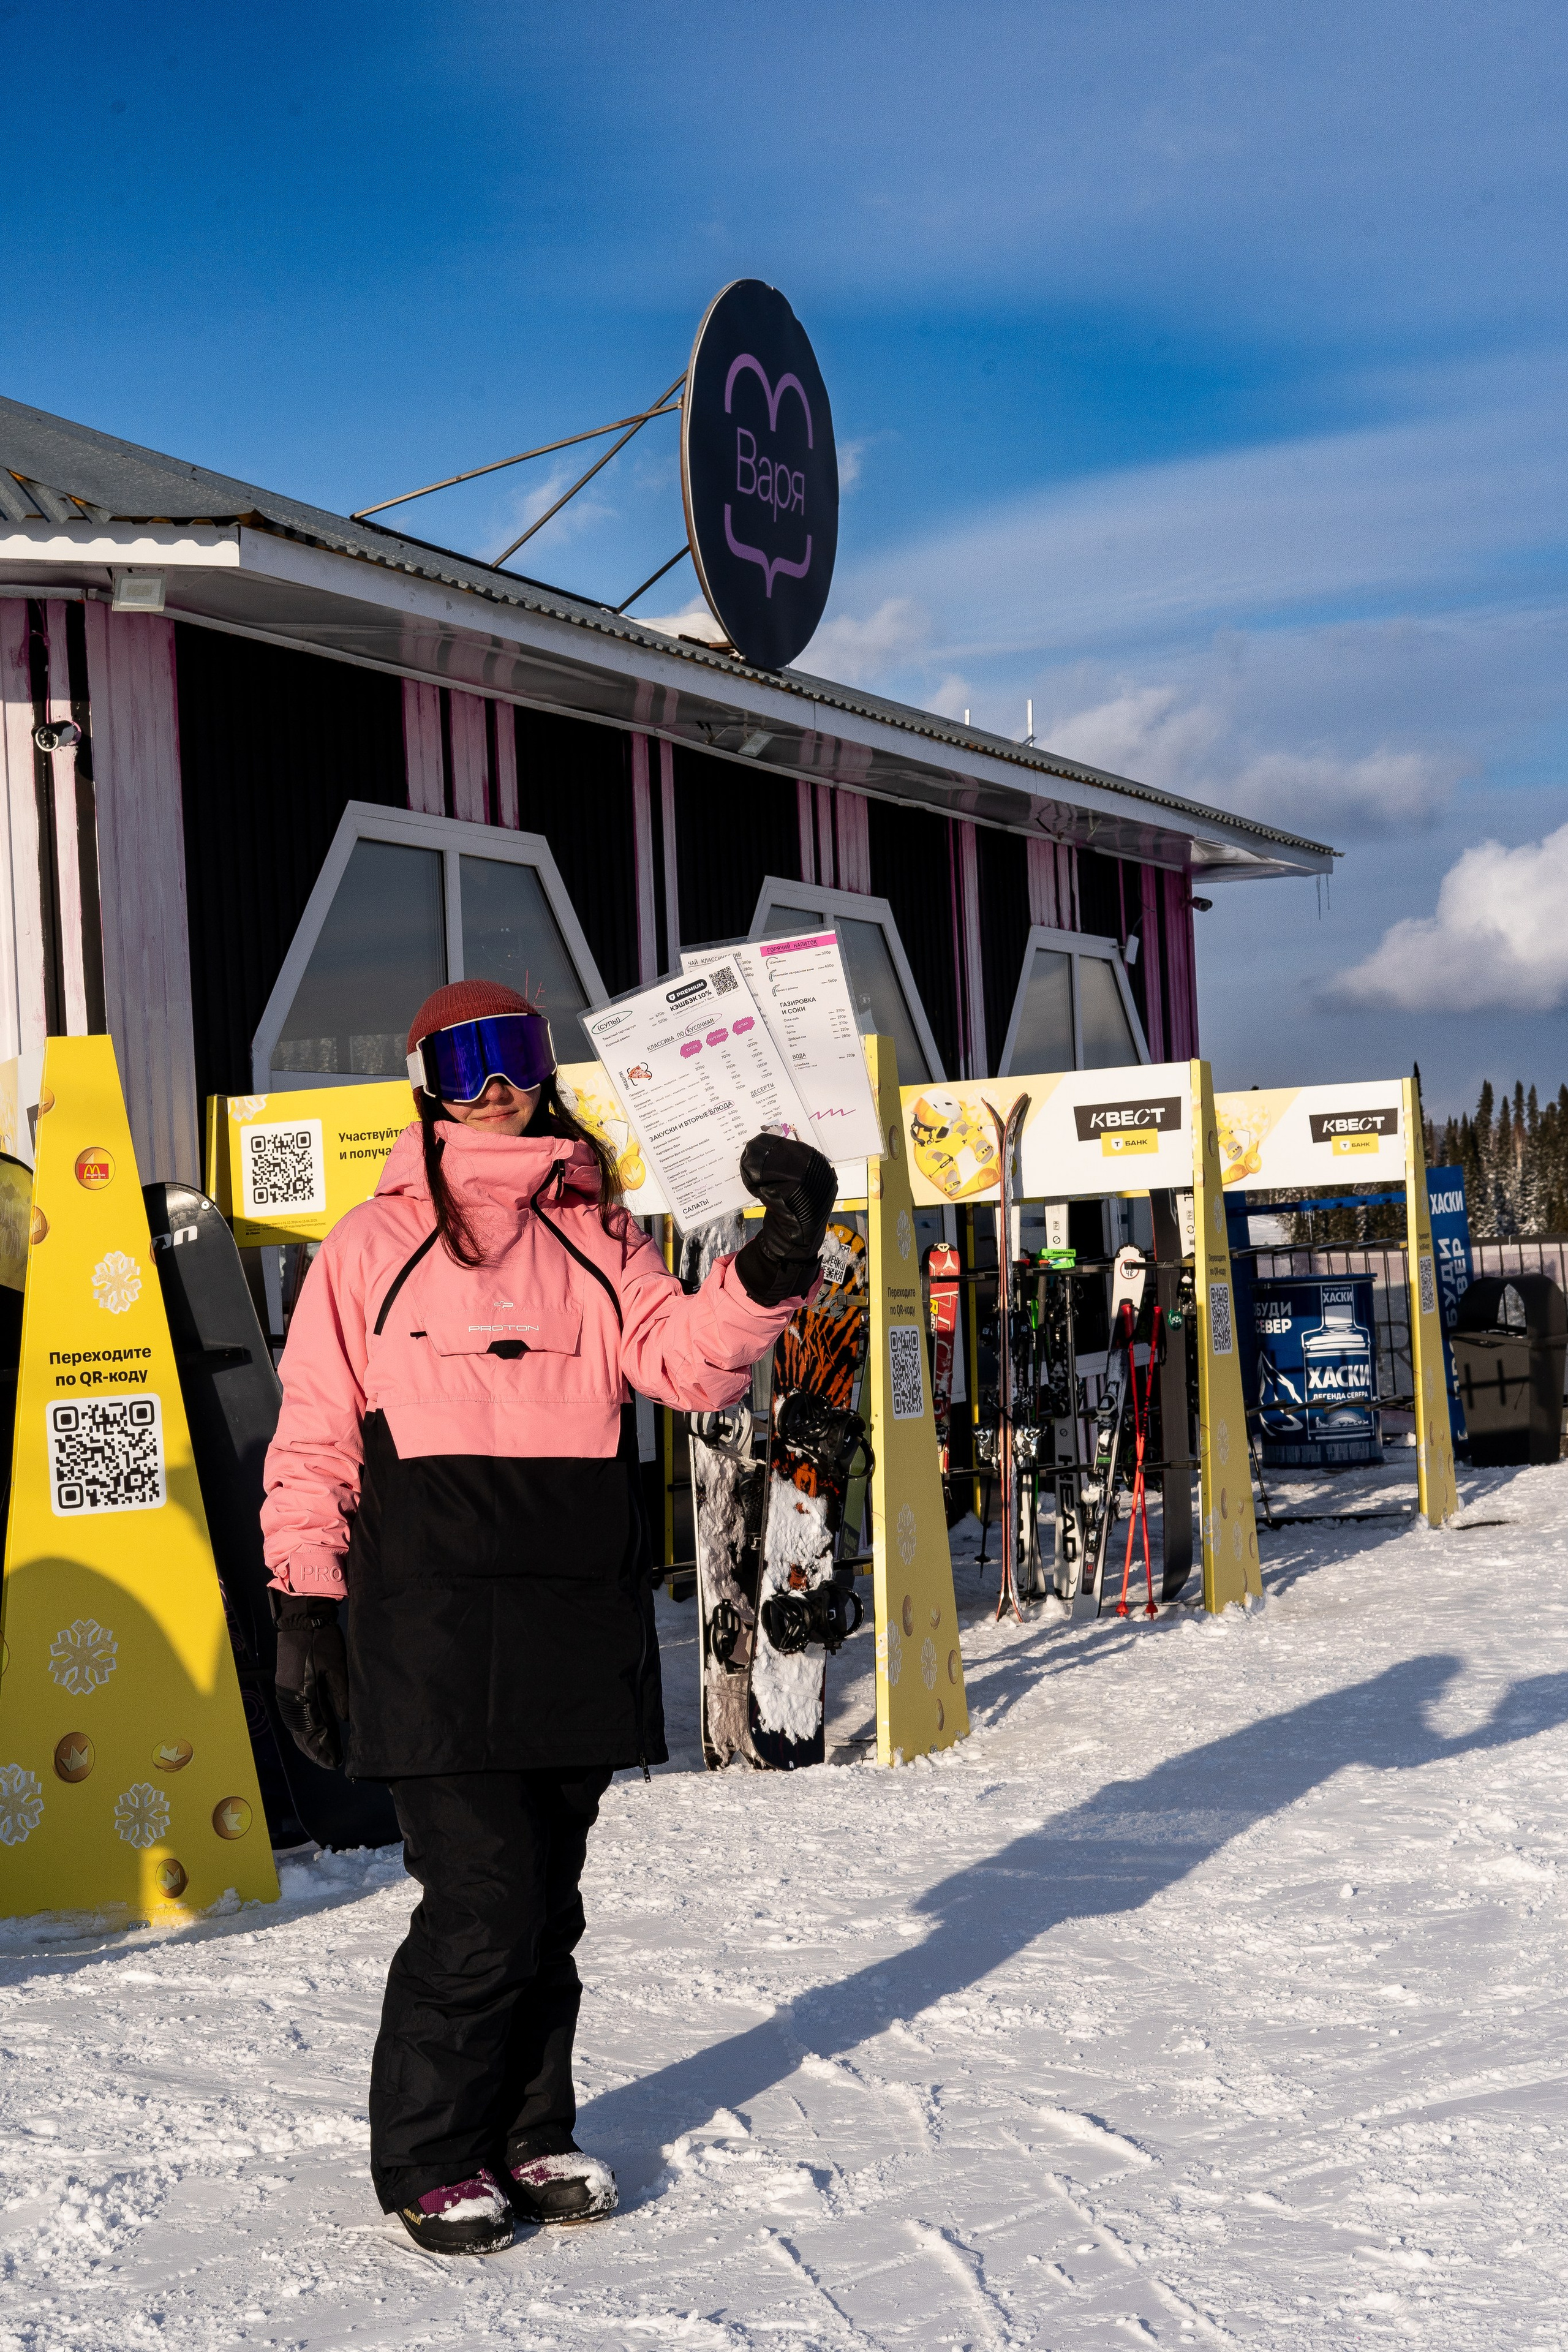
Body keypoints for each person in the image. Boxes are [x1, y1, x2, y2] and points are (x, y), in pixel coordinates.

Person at [260, 978, 835, 2256]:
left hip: (572, 1604)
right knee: (482, 1897)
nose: (493, 1086)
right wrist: (303, 1600)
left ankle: (525, 2134)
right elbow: (310, 1434)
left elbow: (685, 1361)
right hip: (432, 1620)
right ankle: (427, 2155)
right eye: (462, 1064)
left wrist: (773, 1263)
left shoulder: (598, 1231)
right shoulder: (369, 1244)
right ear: (425, 1085)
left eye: (512, 1053)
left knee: (548, 1901)